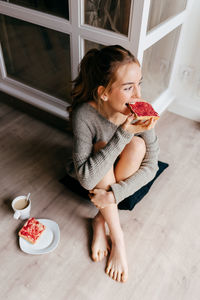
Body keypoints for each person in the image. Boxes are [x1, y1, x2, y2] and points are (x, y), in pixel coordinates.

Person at [66, 45, 159, 283]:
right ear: (104, 93)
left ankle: (101, 218)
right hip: (94, 171)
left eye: (140, 83)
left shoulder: (140, 109)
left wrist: (114, 196)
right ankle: (118, 238)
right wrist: (124, 133)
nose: (138, 95)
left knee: (139, 146)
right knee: (101, 147)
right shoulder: (84, 116)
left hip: (116, 178)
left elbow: (152, 166)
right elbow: (86, 178)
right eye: (129, 88)